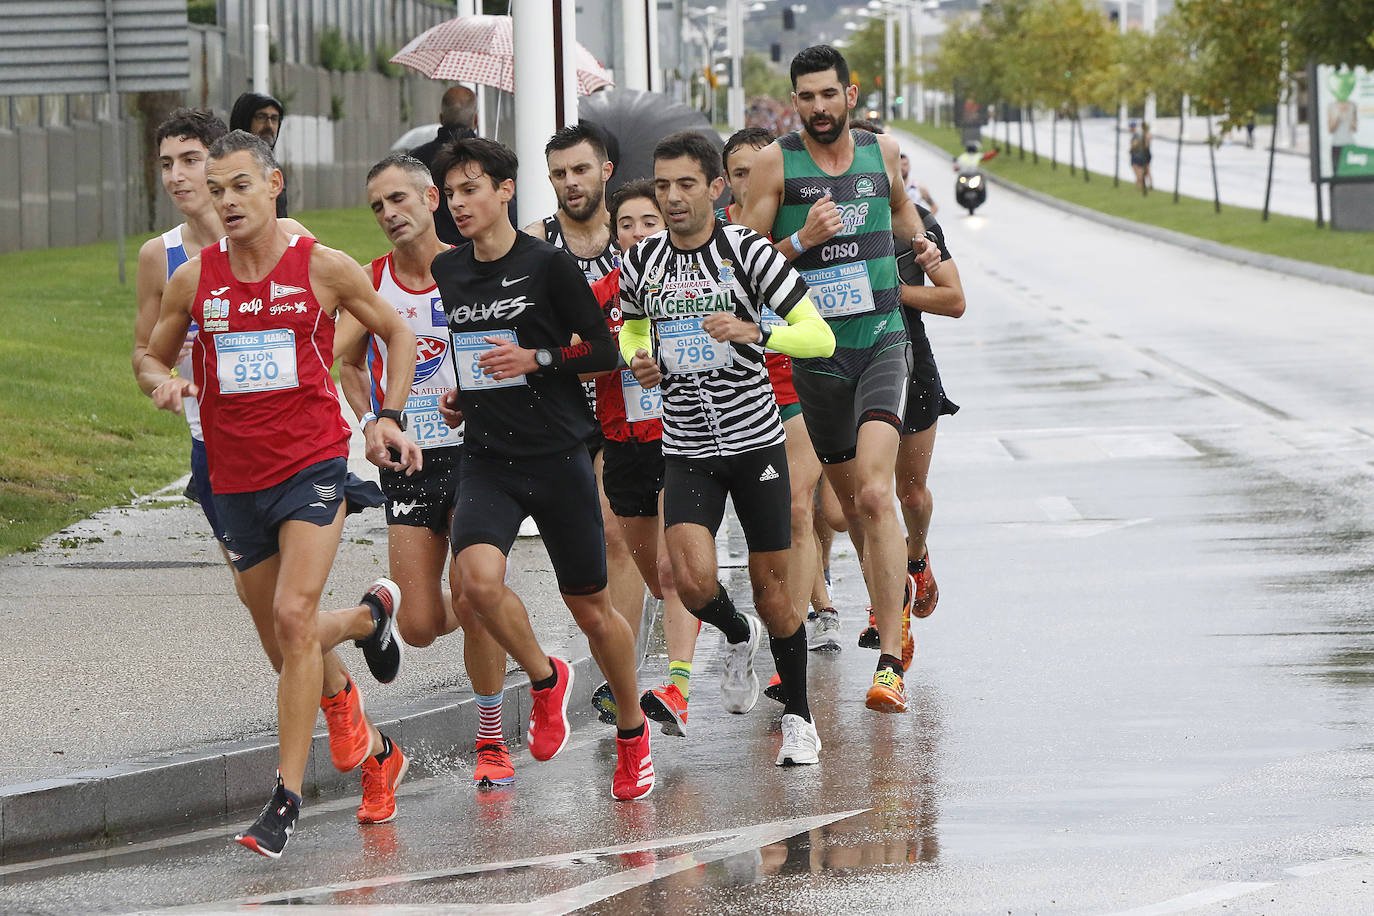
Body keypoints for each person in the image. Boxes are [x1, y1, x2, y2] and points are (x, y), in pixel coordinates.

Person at [143, 130, 422, 857]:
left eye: (241, 185)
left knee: (295, 619)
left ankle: (285, 800)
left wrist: (384, 417)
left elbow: (394, 329)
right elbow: (150, 351)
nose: (227, 200)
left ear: (274, 185)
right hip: (230, 477)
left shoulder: (319, 267)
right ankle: (368, 626)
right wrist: (162, 382)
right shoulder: (192, 277)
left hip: (311, 465)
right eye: (218, 189)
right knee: (284, 640)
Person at [430, 137, 654, 800]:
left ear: (505, 190)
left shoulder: (548, 266)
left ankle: (632, 732)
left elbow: (604, 351)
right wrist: (459, 394)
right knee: (474, 584)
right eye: (451, 193)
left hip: (559, 456)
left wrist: (539, 361)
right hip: (487, 458)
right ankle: (545, 677)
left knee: (591, 610)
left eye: (471, 189)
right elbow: (472, 350)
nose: (459, 204)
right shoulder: (451, 272)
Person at [619, 129, 836, 765]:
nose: (673, 197)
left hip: (754, 444)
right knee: (689, 581)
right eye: (663, 186)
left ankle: (799, 716)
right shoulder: (642, 260)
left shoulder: (751, 255)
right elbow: (634, 323)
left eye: (686, 184)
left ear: (716, 187)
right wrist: (641, 357)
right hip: (686, 446)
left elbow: (817, 337)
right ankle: (734, 634)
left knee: (774, 594)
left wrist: (755, 329)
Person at [743, 44, 940, 714]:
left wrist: (927, 249)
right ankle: (895, 600)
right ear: (794, 101)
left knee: (879, 496)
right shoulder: (777, 164)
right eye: (807, 97)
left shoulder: (879, 154)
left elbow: (903, 218)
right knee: (855, 511)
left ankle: (890, 660)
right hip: (816, 359)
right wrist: (801, 241)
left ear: (850, 94)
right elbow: (738, 265)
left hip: (882, 340)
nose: (820, 108)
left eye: (830, 95)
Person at [336, 153, 516, 789]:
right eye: (378, 206)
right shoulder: (368, 280)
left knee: (474, 591)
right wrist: (372, 420)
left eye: (398, 200)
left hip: (479, 455)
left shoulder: (472, 269)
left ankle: (491, 737)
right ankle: (395, 604)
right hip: (408, 459)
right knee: (417, 627)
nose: (389, 215)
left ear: (432, 198)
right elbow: (349, 364)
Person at [523, 123, 647, 719]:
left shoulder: (636, 239)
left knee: (616, 531)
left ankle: (613, 677)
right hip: (565, 409)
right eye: (558, 174)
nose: (570, 183)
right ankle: (612, 659)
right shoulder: (537, 243)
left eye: (579, 170)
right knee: (592, 542)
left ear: (605, 171)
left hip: (632, 405)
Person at [720, 126, 839, 654]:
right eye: (739, 173)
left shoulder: (805, 215)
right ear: (724, 182)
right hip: (738, 386)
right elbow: (743, 274)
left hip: (797, 381)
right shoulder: (715, 231)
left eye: (758, 171)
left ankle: (793, 631)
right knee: (773, 516)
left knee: (801, 505)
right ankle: (802, 606)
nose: (749, 183)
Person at [586, 179, 698, 737]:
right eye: (624, 224)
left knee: (670, 569)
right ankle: (718, 618)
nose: (635, 234)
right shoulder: (603, 293)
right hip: (622, 440)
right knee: (624, 553)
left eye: (647, 222)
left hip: (683, 437)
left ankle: (676, 686)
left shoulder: (689, 281)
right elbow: (576, 359)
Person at [410, 86, 480, 246]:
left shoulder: (415, 160)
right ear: (476, 120)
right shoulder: (488, 159)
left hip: (431, 252)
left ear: (441, 118)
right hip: (480, 253)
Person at [230, 92, 288, 216]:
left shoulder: (274, 169)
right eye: (261, 117)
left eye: (274, 118)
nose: (269, 125)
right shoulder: (223, 167)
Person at [1128, 122, 1152, 194]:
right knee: (1144, 171)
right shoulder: (1141, 135)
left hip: (1137, 155)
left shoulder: (1136, 135)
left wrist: (1131, 150)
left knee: (1139, 171)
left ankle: (1141, 186)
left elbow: (1136, 144)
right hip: (1142, 154)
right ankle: (1144, 185)